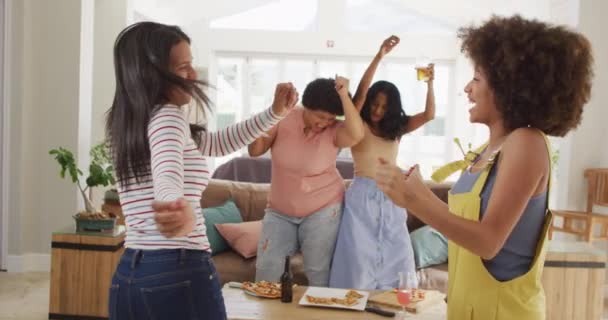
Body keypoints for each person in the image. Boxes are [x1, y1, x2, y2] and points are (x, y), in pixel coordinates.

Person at [375, 15, 593, 320]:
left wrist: (415, 200)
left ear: (509, 87)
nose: (467, 88)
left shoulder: (526, 142)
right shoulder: (486, 151)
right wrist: (417, 190)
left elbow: (487, 242)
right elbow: (464, 229)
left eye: (477, 79)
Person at [105, 21, 298, 319]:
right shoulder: (168, 117)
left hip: (131, 273)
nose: (194, 75)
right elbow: (167, 174)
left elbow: (217, 143)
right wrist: (174, 204)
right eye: (184, 67)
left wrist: (274, 113)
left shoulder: (127, 124)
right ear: (153, 73)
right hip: (177, 269)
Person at [329, 35, 436, 290]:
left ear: (392, 110)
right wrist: (379, 55)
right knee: (358, 260)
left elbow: (430, 115)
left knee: (397, 260)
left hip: (392, 195)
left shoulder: (396, 129)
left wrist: (431, 83)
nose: (377, 110)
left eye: (384, 107)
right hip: (362, 196)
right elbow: (362, 92)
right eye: (375, 104)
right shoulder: (359, 125)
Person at [248, 76, 365, 287]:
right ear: (305, 107)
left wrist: (343, 95)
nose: (324, 123)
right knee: (267, 271)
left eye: (331, 118)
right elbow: (254, 150)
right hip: (279, 211)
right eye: (320, 117)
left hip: (323, 208)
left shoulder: (334, 130)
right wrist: (273, 112)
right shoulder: (284, 117)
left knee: (318, 270)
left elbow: (357, 134)